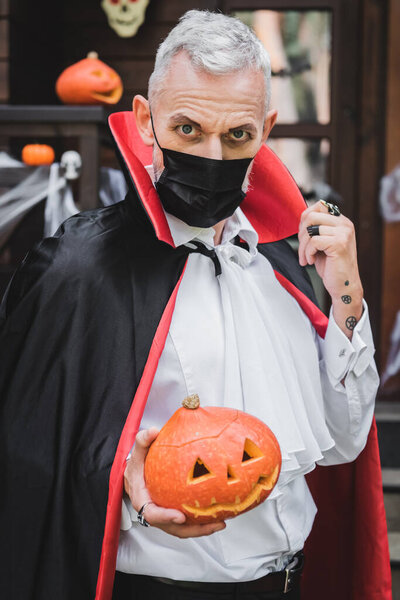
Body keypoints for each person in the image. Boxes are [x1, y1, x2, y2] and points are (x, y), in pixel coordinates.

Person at [0, 9, 391, 600]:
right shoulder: (77, 267)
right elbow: (26, 451)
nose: (212, 153)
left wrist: (348, 295)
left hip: (287, 585)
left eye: (238, 135)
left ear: (267, 128)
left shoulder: (282, 262)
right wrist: (119, 479)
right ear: (144, 121)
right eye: (187, 129)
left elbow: (339, 441)